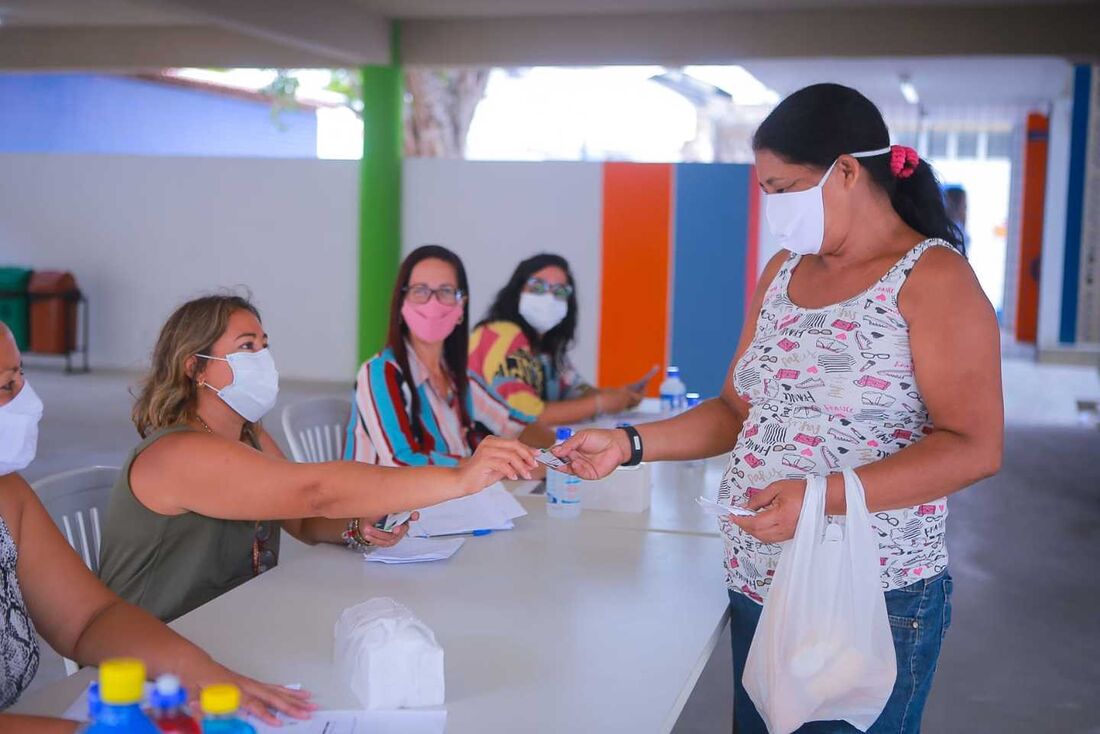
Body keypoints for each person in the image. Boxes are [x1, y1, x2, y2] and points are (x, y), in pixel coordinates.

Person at [553, 84, 1002, 733]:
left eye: (783, 186)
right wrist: (629, 443)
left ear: (846, 170)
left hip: (866, 600)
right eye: (765, 189)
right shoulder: (784, 271)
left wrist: (820, 496)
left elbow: (974, 444)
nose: (773, 207)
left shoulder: (934, 279)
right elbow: (736, 410)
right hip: (760, 583)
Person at [98, 294, 537, 623]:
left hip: (229, 627)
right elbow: (314, 493)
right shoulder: (179, 454)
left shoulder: (248, 436)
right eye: (247, 347)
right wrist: (460, 477)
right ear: (195, 367)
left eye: (264, 345)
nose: (263, 359)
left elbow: (302, 520)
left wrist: (355, 528)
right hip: (155, 656)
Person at [0, 321, 313, 730]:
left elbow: (87, 619)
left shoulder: (8, 494)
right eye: (6, 386)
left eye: (22, 376)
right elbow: (315, 494)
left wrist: (202, 673)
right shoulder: (176, 449)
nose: (30, 401)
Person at [347, 245, 553, 467]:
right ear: (401, 303)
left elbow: (514, 424)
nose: (433, 304)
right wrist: (481, 465)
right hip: (390, 500)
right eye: (420, 290)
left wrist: (562, 454)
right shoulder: (380, 373)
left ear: (461, 306)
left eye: (446, 291)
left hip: (452, 498)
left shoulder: (458, 376)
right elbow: (402, 462)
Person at [469, 254, 644, 426]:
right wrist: (599, 403)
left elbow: (575, 390)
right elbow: (524, 416)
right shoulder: (503, 335)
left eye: (560, 291)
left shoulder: (546, 348)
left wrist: (620, 397)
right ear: (517, 291)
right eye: (537, 288)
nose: (548, 298)